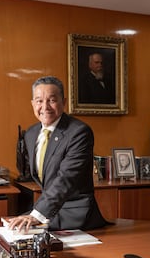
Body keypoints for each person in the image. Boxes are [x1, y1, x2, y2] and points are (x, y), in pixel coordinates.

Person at [8, 76, 108, 232]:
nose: (45, 107)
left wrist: (37, 214)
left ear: (64, 102)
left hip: (75, 214)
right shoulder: (31, 134)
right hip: (50, 211)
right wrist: (36, 213)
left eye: (52, 100)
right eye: (39, 101)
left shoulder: (79, 132)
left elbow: (66, 179)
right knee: (13, 229)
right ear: (33, 104)